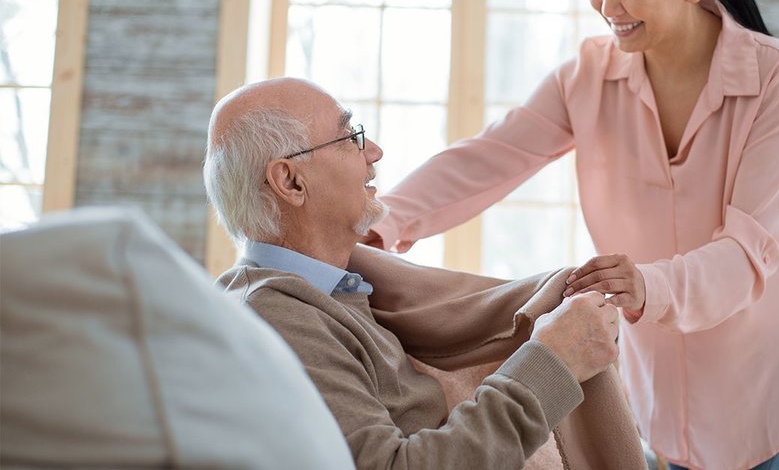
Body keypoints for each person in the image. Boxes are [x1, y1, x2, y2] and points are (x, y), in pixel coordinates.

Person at [365, 0, 779, 469]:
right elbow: (489, 157)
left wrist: (646, 285)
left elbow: (747, 251)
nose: (608, 7)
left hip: (759, 355)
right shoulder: (586, 77)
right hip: (655, 358)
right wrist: (381, 221)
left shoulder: (772, 77)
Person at [201, 77, 646, 470]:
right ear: (291, 182)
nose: (373, 152)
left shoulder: (337, 292)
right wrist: (554, 363)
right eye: (348, 137)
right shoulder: (277, 319)